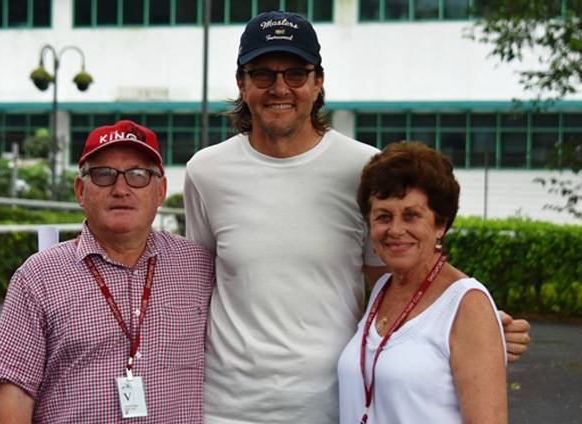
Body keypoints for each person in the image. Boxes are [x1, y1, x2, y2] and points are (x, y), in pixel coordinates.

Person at [184, 10, 529, 423]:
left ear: (318, 81)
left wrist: (474, 320)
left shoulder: (361, 168)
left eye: (296, 73)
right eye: (262, 74)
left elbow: (398, 275)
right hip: (226, 410)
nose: (280, 88)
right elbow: (194, 289)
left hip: (333, 405)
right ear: (242, 82)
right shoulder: (206, 171)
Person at [0, 120, 215, 423]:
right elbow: (14, 391)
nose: (120, 189)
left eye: (138, 175)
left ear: (161, 191)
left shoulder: (198, 266)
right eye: (104, 175)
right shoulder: (38, 277)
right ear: (80, 191)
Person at [338, 141, 507, 423]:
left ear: (441, 224)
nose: (395, 230)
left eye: (411, 215)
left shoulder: (467, 305)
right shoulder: (383, 288)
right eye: (383, 216)